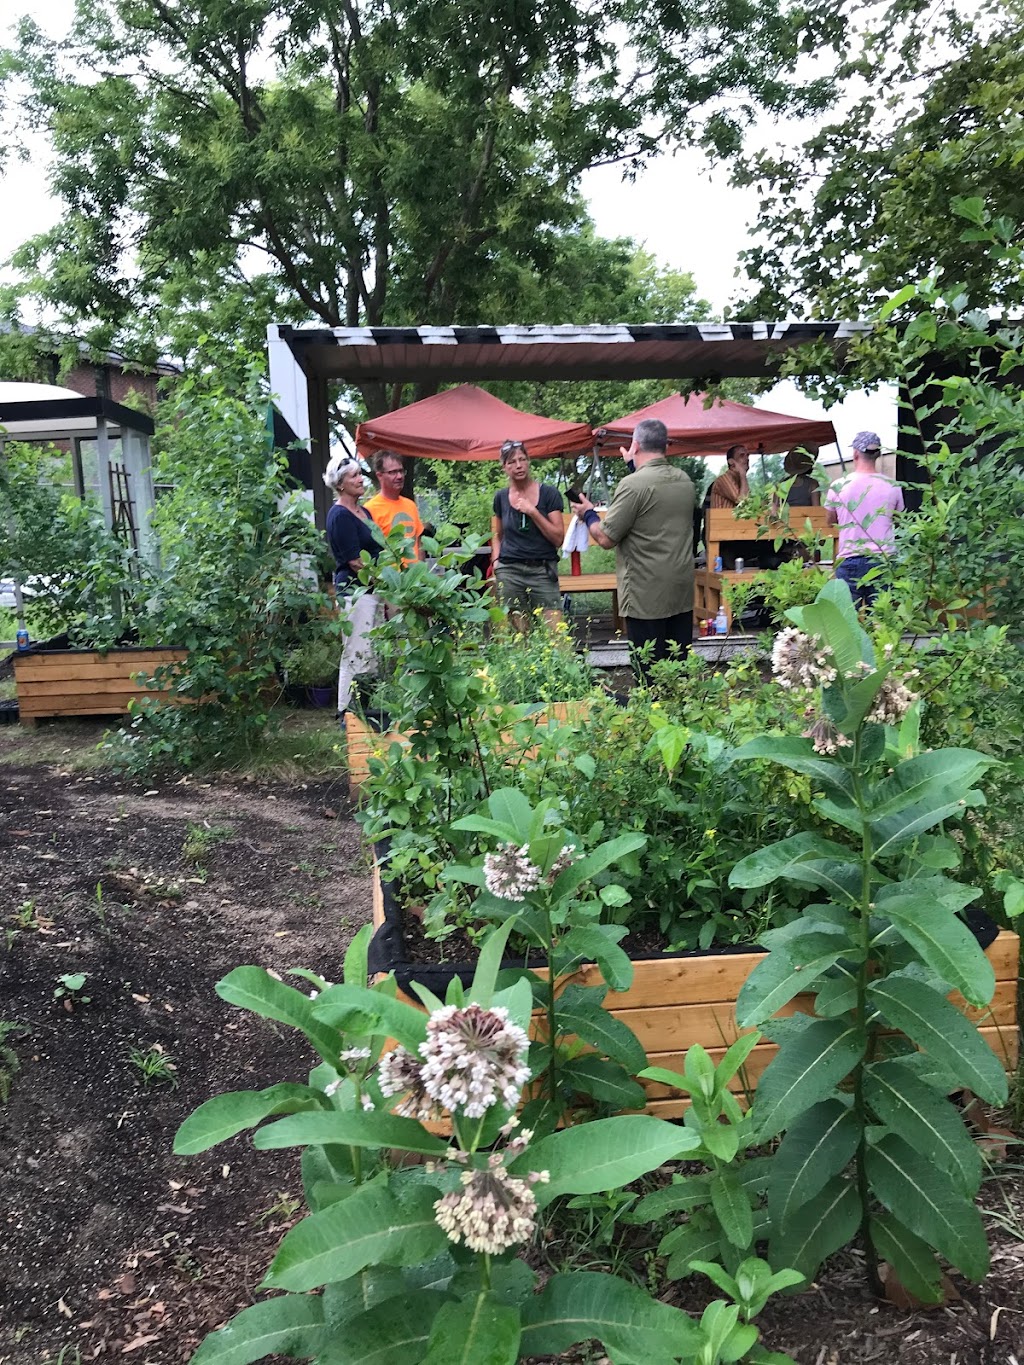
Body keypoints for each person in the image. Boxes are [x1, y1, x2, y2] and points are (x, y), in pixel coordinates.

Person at [575, 418, 694, 679]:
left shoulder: (632, 486)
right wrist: (633, 465)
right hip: (681, 592)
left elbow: (606, 539)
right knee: (679, 669)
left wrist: (589, 515)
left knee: (649, 673)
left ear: (636, 444)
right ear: (666, 446)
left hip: (645, 595)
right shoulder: (685, 482)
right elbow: (653, 497)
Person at [324, 454, 383, 716]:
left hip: (372, 590)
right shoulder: (340, 516)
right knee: (355, 653)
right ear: (340, 484)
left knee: (370, 655)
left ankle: (365, 711)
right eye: (354, 476)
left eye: (361, 474)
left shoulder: (364, 511)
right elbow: (355, 562)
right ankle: (345, 713)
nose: (361, 479)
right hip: (354, 592)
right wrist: (387, 583)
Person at [824, 431, 904, 609]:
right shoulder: (893, 486)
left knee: (847, 622)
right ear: (878, 454)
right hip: (884, 560)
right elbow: (899, 521)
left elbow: (830, 520)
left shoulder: (838, 485)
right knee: (882, 621)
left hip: (850, 558)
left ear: (855, 453)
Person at [490, 439, 565, 627]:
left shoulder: (549, 494)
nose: (518, 466)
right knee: (518, 633)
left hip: (542, 570)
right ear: (504, 467)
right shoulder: (500, 497)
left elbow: (558, 538)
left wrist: (533, 512)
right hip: (510, 570)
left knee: (555, 633)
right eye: (511, 462)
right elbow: (497, 535)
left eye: (522, 459)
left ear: (528, 461)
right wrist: (496, 563)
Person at [363, 450, 425, 563]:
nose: (400, 476)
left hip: (414, 577)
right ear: (379, 475)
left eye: (401, 471)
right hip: (391, 578)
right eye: (393, 472)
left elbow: (418, 543)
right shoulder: (369, 509)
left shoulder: (410, 505)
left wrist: (421, 572)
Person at [708, 444, 750, 509]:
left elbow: (748, 505)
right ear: (731, 462)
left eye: (747, 455)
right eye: (742, 456)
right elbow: (743, 502)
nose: (747, 459)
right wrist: (743, 475)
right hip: (721, 519)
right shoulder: (723, 479)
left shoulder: (740, 480)